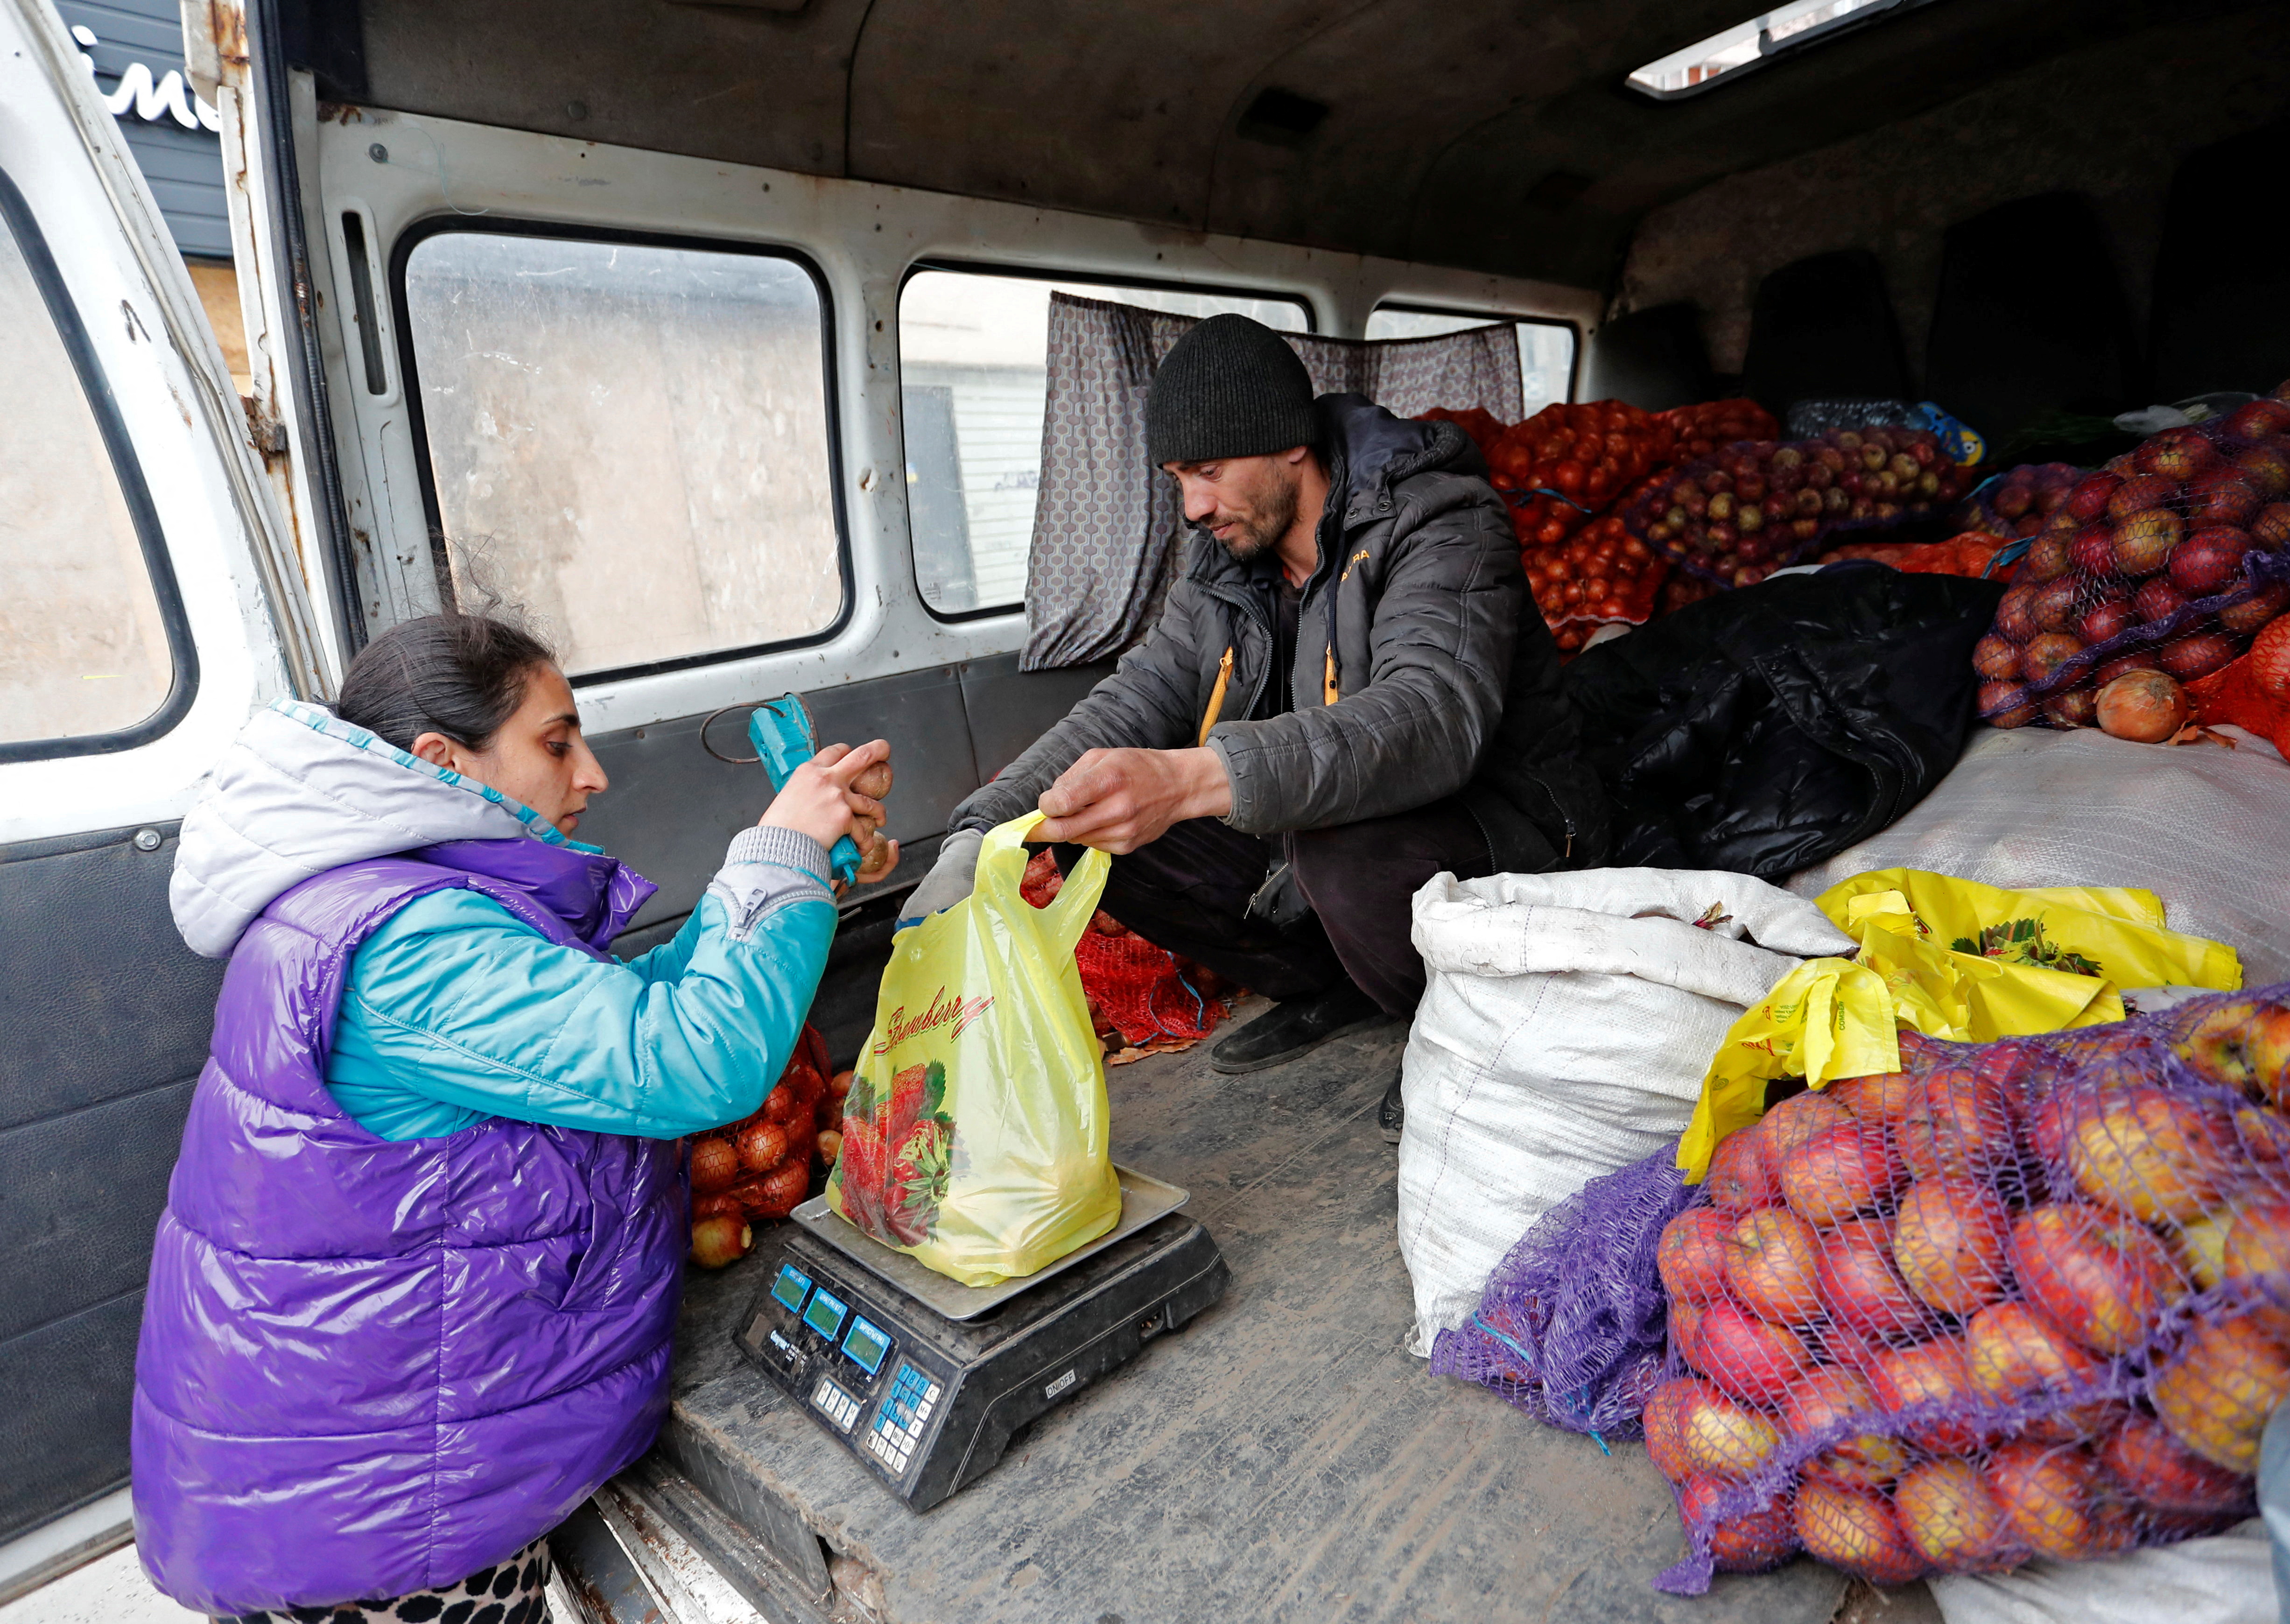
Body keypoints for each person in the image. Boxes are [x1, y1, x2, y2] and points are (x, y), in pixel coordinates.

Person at [131, 614, 892, 1623]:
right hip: (376, 1511)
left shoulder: (368, 898)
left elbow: (620, 1023)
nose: (593, 776)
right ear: (443, 760)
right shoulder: (407, 941)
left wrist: (789, 875)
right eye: (556, 741)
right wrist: (783, 844)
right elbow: (685, 1058)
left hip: (355, 1452)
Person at [903, 315, 1597, 1129]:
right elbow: (1131, 701)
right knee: (1090, 821)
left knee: (1330, 843)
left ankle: (1464, 1032)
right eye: (1177, 479)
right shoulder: (1226, 565)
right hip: (1329, 828)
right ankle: (1343, 984)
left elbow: (1433, 717)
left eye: (1209, 470)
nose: (1193, 506)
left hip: (1515, 831)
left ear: (1287, 445)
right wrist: (978, 832)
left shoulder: (1438, 520)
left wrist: (1195, 777)